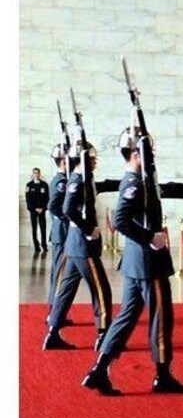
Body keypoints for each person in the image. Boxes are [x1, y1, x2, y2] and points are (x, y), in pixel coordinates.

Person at [81, 128, 183, 396]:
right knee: (161, 318)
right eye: (147, 152)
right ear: (135, 154)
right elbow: (121, 220)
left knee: (127, 317)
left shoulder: (140, 179)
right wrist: (150, 238)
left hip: (136, 263)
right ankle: (162, 375)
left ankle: (99, 370)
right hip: (147, 262)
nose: (152, 156)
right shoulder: (134, 183)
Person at [43, 141, 112, 350]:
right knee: (102, 291)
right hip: (83, 245)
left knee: (66, 290)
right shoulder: (76, 180)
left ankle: (53, 332)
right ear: (83, 160)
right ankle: (104, 335)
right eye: (92, 158)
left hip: (75, 245)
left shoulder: (82, 178)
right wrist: (88, 229)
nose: (95, 161)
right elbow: (66, 208)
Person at [45, 145, 73, 325]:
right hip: (62, 234)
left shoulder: (61, 179)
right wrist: (69, 218)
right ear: (64, 161)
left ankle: (56, 313)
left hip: (61, 233)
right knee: (61, 275)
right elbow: (53, 207)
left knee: (60, 273)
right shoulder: (61, 181)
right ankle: (54, 315)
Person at [25, 167, 49, 255]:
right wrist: (34, 209)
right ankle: (36, 246)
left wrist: (43, 208)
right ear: (33, 174)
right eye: (34, 173)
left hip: (42, 210)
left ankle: (44, 245)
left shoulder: (44, 185)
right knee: (34, 228)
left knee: (43, 228)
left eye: (37, 173)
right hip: (33, 211)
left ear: (40, 174)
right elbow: (28, 199)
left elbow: (47, 198)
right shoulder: (29, 185)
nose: (36, 174)